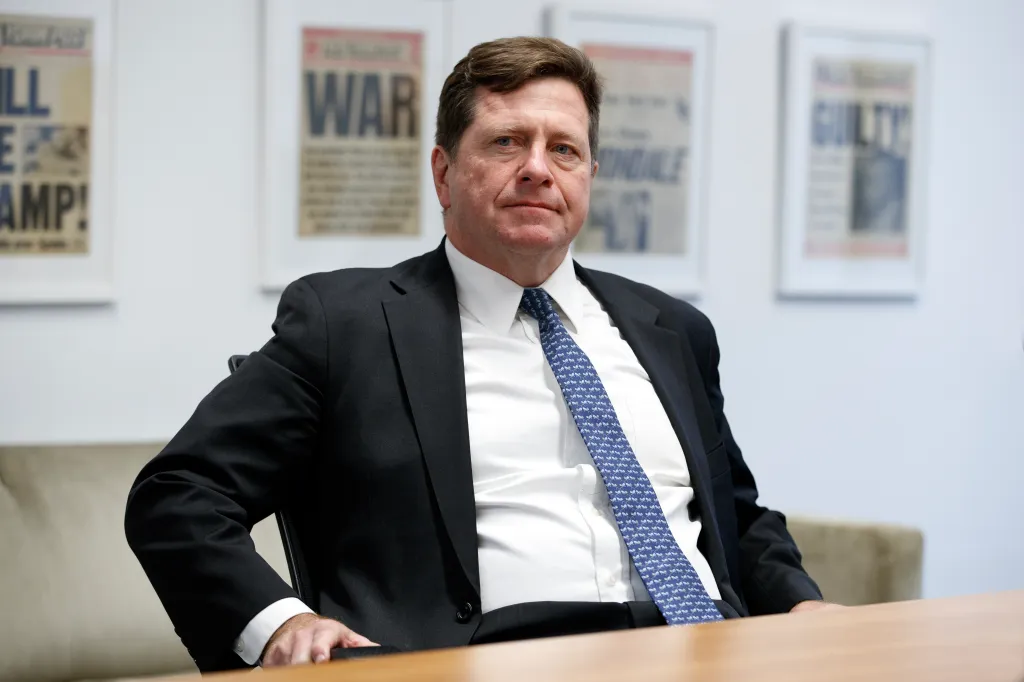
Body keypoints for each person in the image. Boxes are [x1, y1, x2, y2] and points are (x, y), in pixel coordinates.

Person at [125, 37, 832, 674]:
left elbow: (734, 517)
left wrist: (801, 605)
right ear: (443, 173)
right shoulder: (346, 326)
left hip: (705, 653)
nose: (537, 169)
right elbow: (178, 497)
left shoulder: (672, 329)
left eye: (564, 149)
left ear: (588, 173)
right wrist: (282, 624)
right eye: (505, 143)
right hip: (489, 661)